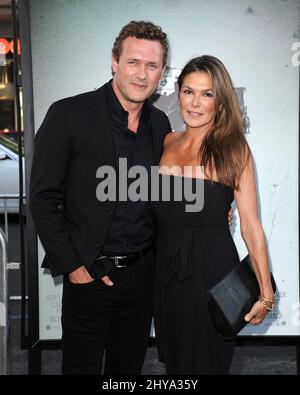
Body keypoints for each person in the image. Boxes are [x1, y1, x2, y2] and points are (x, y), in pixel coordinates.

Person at [30, 20, 171, 375]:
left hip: (142, 277)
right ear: (114, 61)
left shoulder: (160, 125)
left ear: (162, 72)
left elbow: (161, 194)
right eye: (133, 62)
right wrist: (75, 268)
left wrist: (211, 213)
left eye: (152, 65)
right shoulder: (68, 114)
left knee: (127, 373)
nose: (142, 74)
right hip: (89, 274)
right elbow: (43, 198)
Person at [153, 55, 275, 375]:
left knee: (207, 363)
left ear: (220, 102)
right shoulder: (165, 142)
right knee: (176, 364)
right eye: (188, 91)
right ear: (177, 93)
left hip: (212, 273)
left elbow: (249, 224)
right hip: (165, 272)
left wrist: (265, 292)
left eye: (207, 94)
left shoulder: (233, 149)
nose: (195, 103)